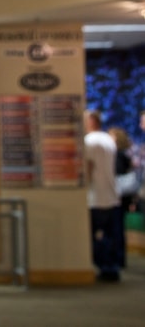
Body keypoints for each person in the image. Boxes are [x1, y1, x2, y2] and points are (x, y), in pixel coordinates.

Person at [83, 109, 121, 282]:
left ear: (91, 121)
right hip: (112, 196)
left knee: (96, 237)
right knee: (110, 236)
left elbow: (89, 168)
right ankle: (112, 268)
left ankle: (104, 267)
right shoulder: (109, 140)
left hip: (95, 197)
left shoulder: (89, 141)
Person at [108, 126, 137, 268]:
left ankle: (118, 260)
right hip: (124, 196)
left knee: (117, 228)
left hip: (118, 196)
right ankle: (120, 259)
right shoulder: (125, 154)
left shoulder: (118, 155)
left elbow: (117, 175)